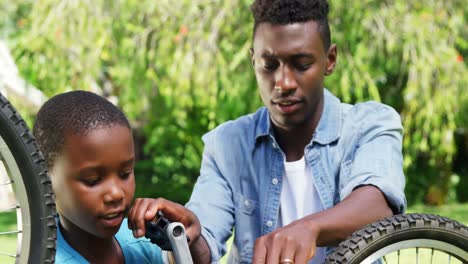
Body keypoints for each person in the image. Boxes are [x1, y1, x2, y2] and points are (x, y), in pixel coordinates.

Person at [130, 0, 406, 263]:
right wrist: (183, 236)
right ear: (253, 61)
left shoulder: (369, 124)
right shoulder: (227, 144)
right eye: (269, 65)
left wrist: (310, 229)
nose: (283, 82)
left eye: (301, 64)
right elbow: (204, 248)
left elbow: (378, 205)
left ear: (330, 60)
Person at [33, 91, 169, 263]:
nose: (116, 194)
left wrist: (185, 244)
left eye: (125, 173)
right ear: (46, 179)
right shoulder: (44, 259)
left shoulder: (146, 241)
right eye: (93, 180)